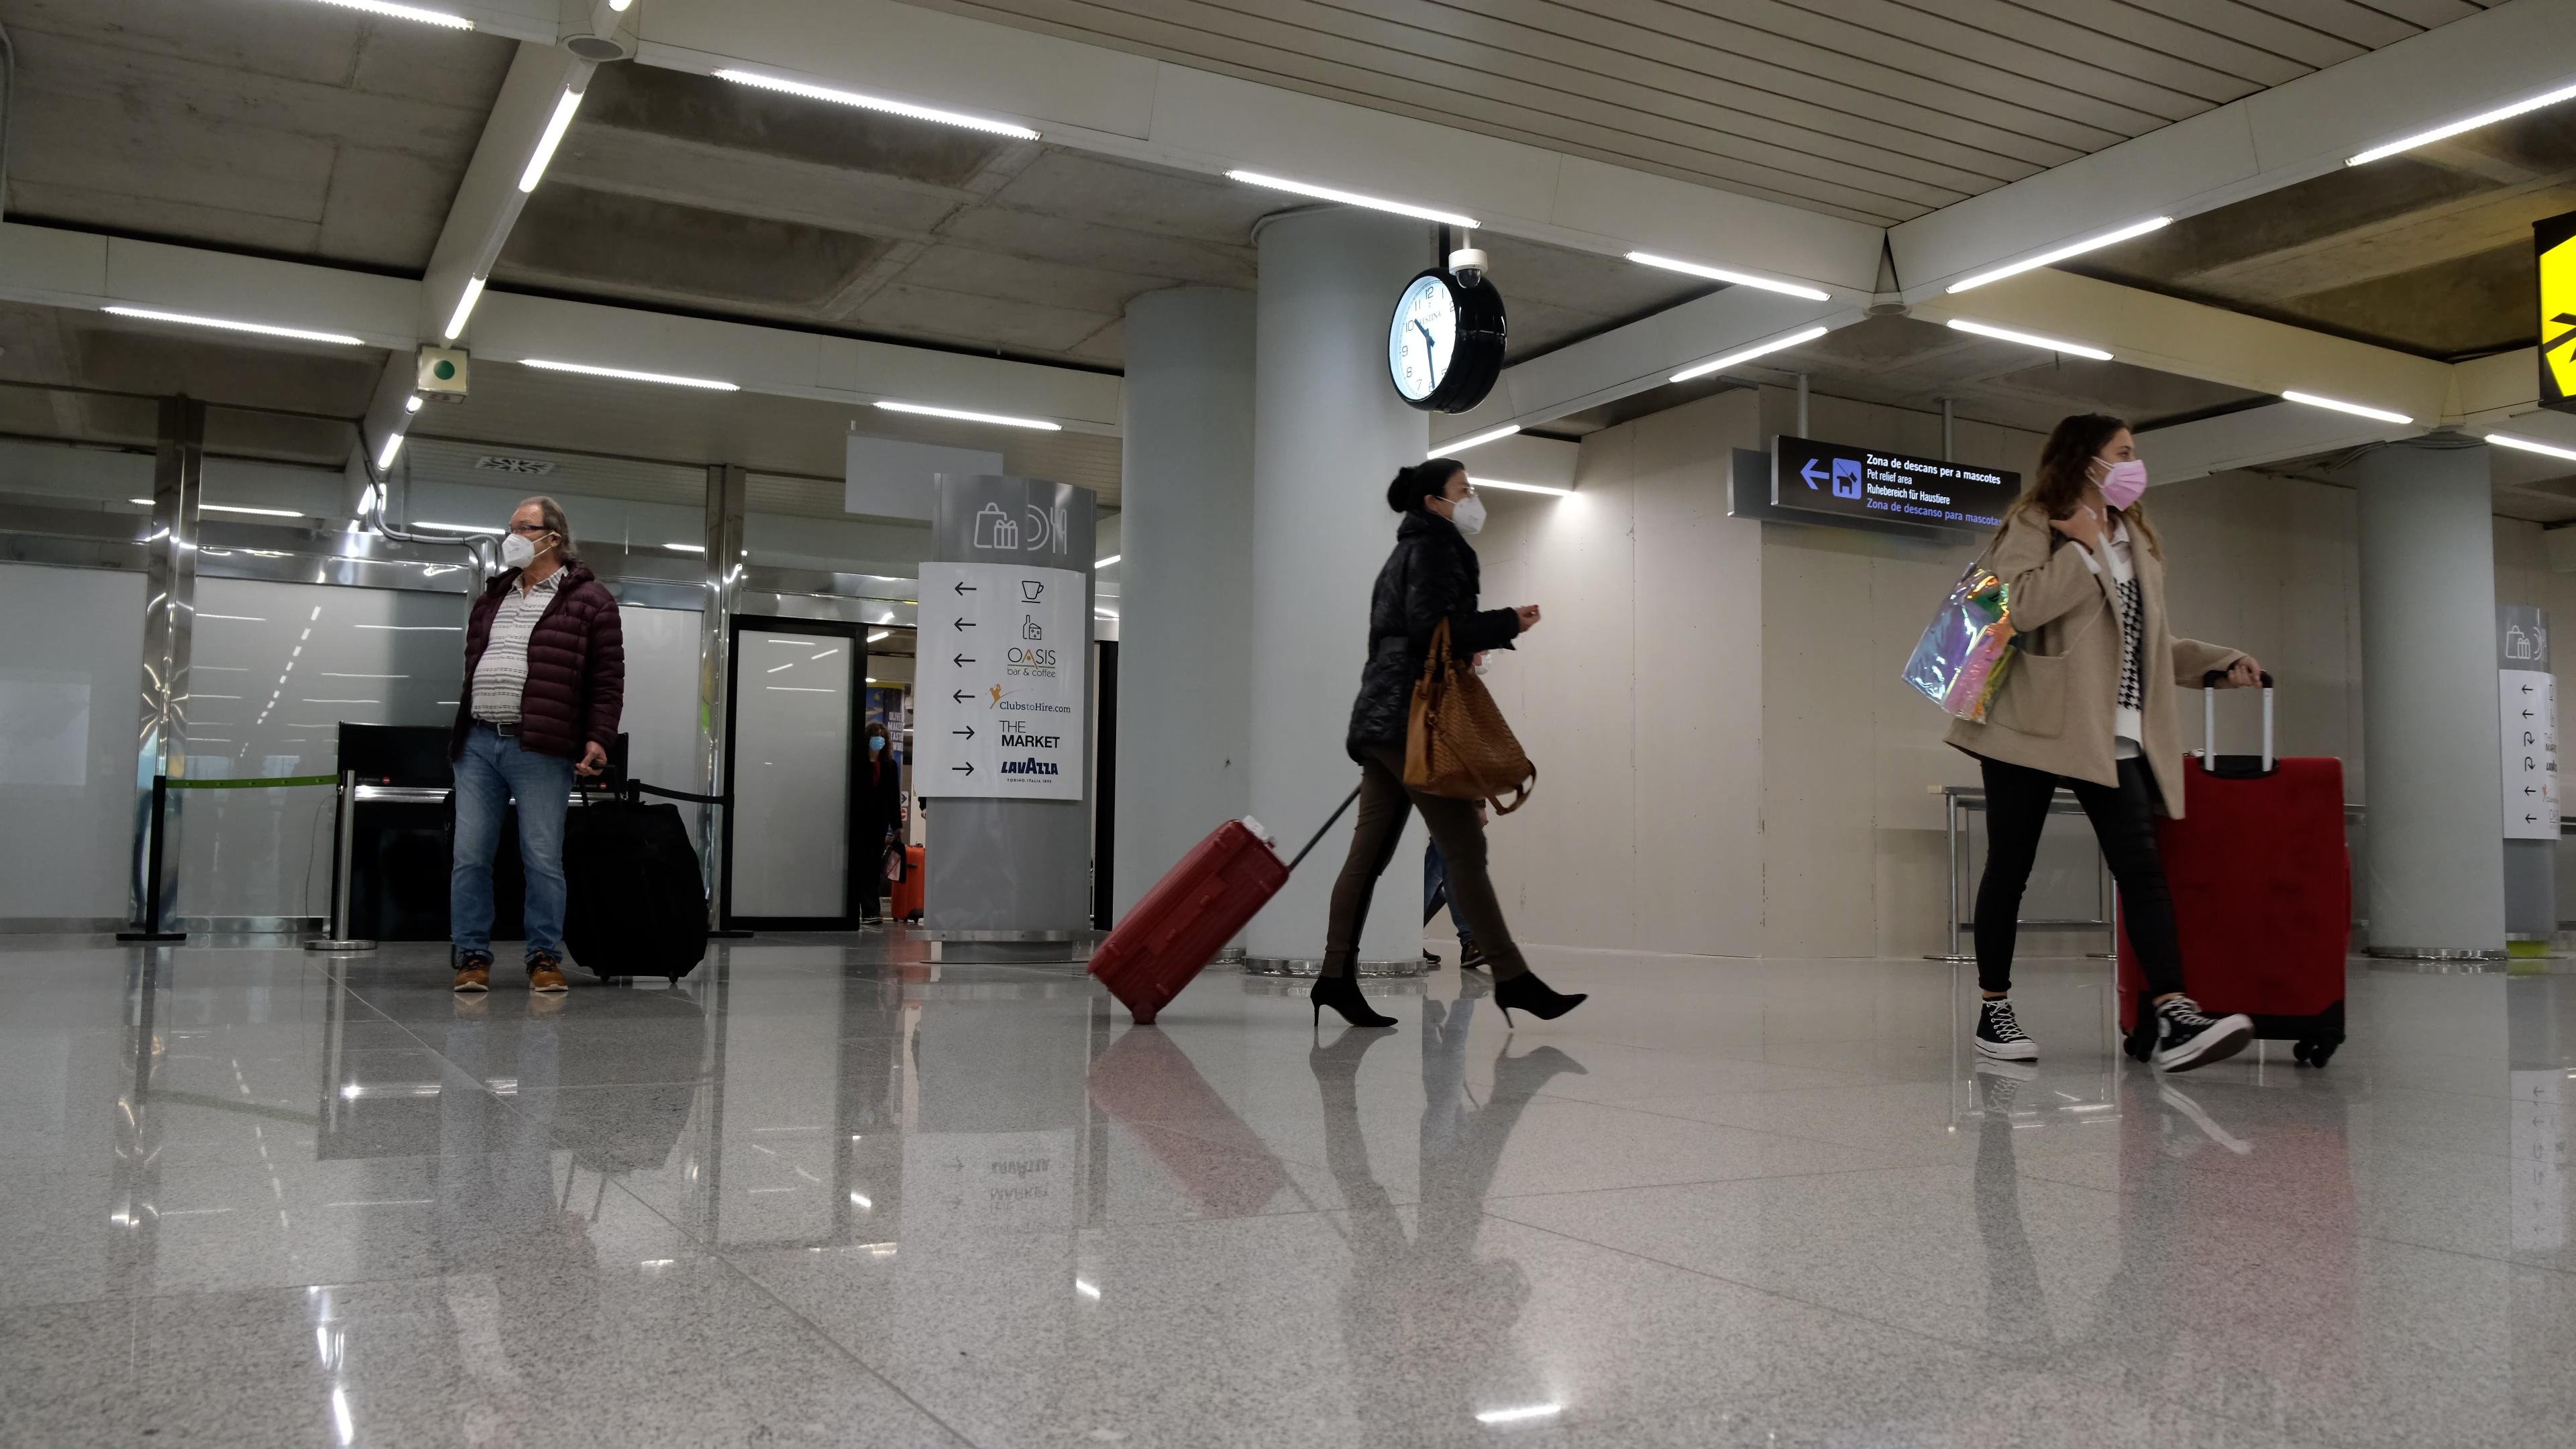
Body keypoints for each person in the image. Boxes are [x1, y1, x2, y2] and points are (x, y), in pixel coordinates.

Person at [1946, 414, 2258, 1072]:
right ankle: (1994, 1010)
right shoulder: (2037, 520)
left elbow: (2146, 640)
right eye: (2123, 452)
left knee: (2142, 874)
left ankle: (2176, 1013)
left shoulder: (2135, 537)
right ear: (2086, 460)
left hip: (2112, 730)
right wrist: (2082, 550)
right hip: (2030, 726)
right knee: (2011, 868)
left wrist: (2215, 664)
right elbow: (2017, 607)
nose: (2133, 463)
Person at [1315, 458, 1584, 1030]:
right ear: (1436, 502)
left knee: (1369, 856)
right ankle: (1514, 979)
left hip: (1386, 716)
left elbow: (1418, 632)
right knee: (1464, 849)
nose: (1472, 498)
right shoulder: (1436, 548)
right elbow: (1433, 629)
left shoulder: (1406, 551)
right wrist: (1508, 621)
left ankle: (1335, 979)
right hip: (1414, 718)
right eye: (1463, 490)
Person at [448, 496, 623, 994]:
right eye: (510, 527)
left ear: (553, 537)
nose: (512, 537)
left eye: (523, 528)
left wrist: (598, 738)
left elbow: (607, 680)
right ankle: (472, 956)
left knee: (542, 856)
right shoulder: (492, 597)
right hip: (479, 742)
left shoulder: (590, 601)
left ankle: (544, 956)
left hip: (541, 747)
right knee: (470, 856)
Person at [1421, 804, 1488, 971]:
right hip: (1444, 797)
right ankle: (1469, 941)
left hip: (1437, 797)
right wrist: (1478, 804)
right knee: (1451, 862)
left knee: (1439, 871)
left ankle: (1405, 937)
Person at [858, 720, 902, 925]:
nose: (879, 741)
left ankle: (871, 910)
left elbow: (894, 797)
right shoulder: (858, 763)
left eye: (882, 738)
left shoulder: (889, 766)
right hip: (859, 822)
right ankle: (868, 910)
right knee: (861, 866)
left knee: (873, 866)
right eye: (876, 737)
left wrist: (897, 825)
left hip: (878, 824)